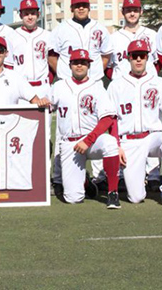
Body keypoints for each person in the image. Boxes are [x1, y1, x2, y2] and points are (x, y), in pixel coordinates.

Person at [108, 40, 162, 207]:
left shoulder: (160, 82)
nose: (138, 59)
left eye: (142, 56)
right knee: (136, 197)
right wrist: (116, 145)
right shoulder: (116, 85)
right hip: (129, 141)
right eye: (135, 56)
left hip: (152, 136)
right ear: (128, 58)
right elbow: (112, 119)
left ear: (147, 58)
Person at [50, 49, 121, 208]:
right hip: (70, 144)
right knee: (73, 198)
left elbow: (108, 118)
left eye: (83, 63)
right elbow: (48, 106)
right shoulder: (59, 86)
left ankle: (112, 192)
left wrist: (88, 140)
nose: (79, 65)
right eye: (76, 63)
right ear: (70, 65)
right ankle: (85, 182)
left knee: (110, 142)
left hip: (93, 141)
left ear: (89, 65)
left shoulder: (97, 87)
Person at [50, 0, 113, 82]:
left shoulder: (100, 28)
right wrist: (62, 73)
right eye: (77, 5)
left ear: (89, 7)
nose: (81, 8)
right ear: (71, 9)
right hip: (67, 81)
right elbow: (52, 57)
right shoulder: (60, 29)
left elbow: (106, 55)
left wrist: (97, 72)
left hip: (94, 81)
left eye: (84, 5)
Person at [109, 0, 157, 79]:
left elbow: (158, 61)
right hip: (122, 86)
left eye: (135, 10)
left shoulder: (152, 34)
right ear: (122, 12)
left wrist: (151, 77)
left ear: (141, 11)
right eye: (128, 10)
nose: (132, 14)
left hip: (148, 84)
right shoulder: (113, 38)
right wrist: (116, 80)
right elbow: (108, 66)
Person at [13, 0, 53, 97]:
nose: (30, 17)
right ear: (20, 15)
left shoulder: (47, 35)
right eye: (26, 14)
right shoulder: (12, 36)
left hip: (43, 87)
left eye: (33, 13)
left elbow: (52, 61)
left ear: (38, 14)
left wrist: (49, 81)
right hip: (20, 88)